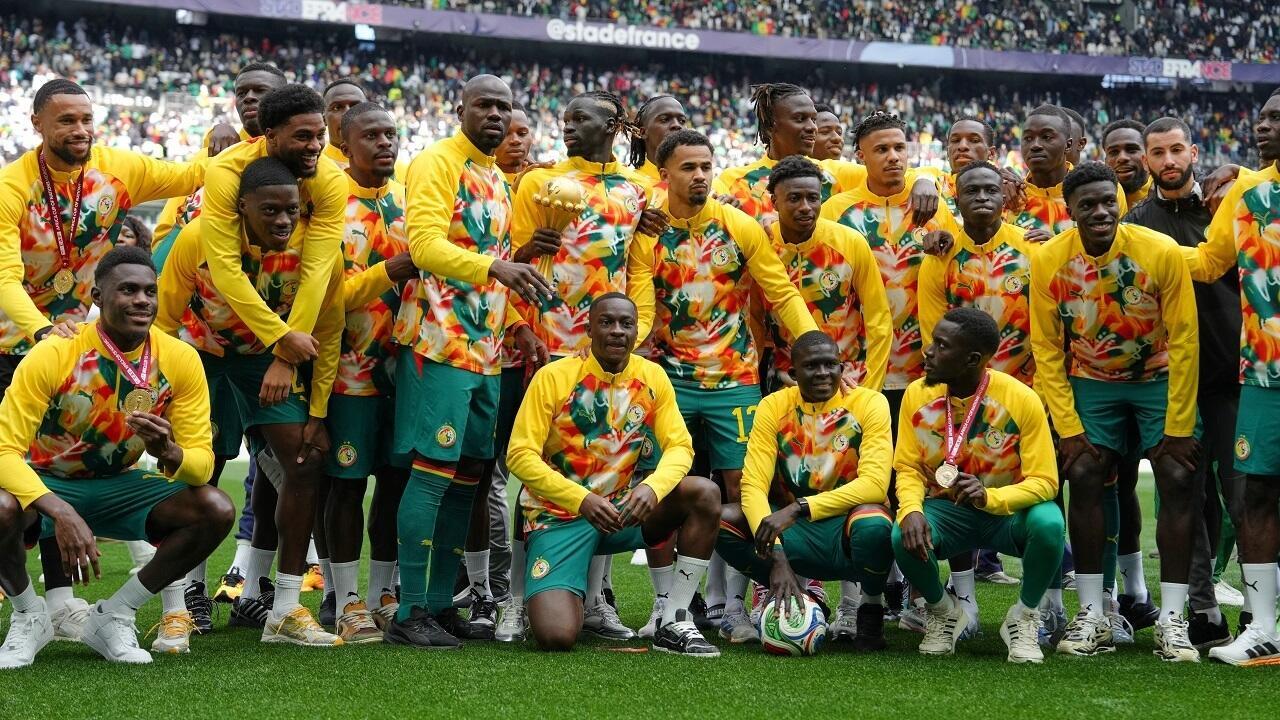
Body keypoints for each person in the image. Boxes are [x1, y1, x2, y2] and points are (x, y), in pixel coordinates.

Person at [0, 77, 205, 644]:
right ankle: (35, 608)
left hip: (87, 341)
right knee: (18, 475)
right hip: (15, 341)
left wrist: (240, 144)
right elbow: (4, 275)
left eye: (86, 119)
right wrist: (41, 330)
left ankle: (65, 604)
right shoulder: (12, 185)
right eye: (65, 120)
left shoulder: (119, 169)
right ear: (37, 122)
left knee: (71, 453)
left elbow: (191, 174)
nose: (80, 131)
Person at [630, 129, 821, 643]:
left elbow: (780, 293)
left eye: (705, 166)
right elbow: (641, 304)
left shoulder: (738, 226)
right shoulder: (645, 230)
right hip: (668, 381)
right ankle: (665, 607)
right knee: (667, 489)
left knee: (743, 490)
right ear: (664, 173)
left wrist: (813, 347)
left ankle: (731, 604)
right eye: (688, 167)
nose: (698, 176)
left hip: (734, 379)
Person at [0, 246, 232, 668]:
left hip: (116, 486)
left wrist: (169, 451)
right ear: (96, 296)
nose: (142, 300)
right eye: (127, 290)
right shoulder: (55, 353)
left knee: (214, 507)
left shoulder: (179, 358)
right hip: (46, 482)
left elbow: (201, 465)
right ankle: (30, 616)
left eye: (149, 291)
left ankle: (115, 615)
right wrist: (61, 511)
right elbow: (2, 451)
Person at [386, 73, 551, 650]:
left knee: (471, 477)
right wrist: (497, 271)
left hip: (485, 348)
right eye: (485, 104)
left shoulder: (496, 178)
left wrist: (515, 325)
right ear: (460, 108)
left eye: (505, 107)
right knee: (433, 472)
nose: (496, 115)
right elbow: (425, 247)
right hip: (438, 341)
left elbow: (496, 257)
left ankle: (437, 603)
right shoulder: (438, 162)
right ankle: (407, 610)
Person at [156, 156, 345, 647]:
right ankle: (178, 605)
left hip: (267, 362)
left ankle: (284, 609)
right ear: (241, 209)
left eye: (293, 211)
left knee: (304, 461)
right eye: (270, 212)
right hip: (202, 358)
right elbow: (163, 322)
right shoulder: (196, 240)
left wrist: (318, 412)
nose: (283, 222)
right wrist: (162, 393)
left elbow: (328, 330)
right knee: (197, 470)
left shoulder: (318, 249)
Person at [1031, 162, 1201, 662]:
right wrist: (1067, 426)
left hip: (1159, 376)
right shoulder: (1050, 260)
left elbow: (1186, 338)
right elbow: (1046, 345)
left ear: (1121, 202)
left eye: (1109, 201)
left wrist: (1179, 425)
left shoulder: (1160, 252)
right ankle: (1093, 613)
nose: (1101, 211)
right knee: (1082, 471)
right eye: (1089, 204)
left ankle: (1172, 618)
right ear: (1072, 211)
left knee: (1176, 473)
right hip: (1091, 379)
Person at [509, 90, 657, 640]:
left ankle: (596, 599)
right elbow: (512, 253)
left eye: (579, 118)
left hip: (611, 349)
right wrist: (520, 327)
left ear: (613, 124)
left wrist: (639, 331)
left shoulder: (638, 191)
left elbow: (637, 269)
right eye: (565, 117)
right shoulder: (540, 182)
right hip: (551, 344)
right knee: (539, 468)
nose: (567, 126)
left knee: (607, 465)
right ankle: (516, 599)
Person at [507, 293, 721, 656]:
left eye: (626, 324)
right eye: (606, 322)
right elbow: (520, 455)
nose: (617, 331)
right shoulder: (554, 377)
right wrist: (581, 499)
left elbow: (681, 447)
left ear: (637, 331)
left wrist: (652, 488)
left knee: (704, 492)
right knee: (556, 636)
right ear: (588, 329)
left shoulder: (651, 376)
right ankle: (548, 599)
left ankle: (674, 618)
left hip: (622, 511)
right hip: (561, 517)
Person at [1124, 116, 1241, 651]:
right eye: (1157, 153)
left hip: (1232, 374)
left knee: (1245, 493)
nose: (1168, 161)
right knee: (1184, 496)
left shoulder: (1226, 204)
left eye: (1176, 150)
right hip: (1172, 382)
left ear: (1194, 152)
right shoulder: (1137, 221)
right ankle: (1204, 609)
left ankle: (1262, 613)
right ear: (1146, 161)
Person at [891, 307, 1063, 664]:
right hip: (946, 510)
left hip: (1007, 513)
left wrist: (992, 496)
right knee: (900, 533)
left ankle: (1025, 616)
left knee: (1049, 523)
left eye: (941, 345)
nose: (928, 351)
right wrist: (910, 509)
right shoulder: (916, 396)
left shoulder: (1022, 399)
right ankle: (944, 613)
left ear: (972, 359)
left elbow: (1046, 481)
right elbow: (907, 467)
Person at [1179, 88, 1280, 667]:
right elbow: (1209, 262)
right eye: (1261, 118)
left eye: (1275, 119)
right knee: (1257, 494)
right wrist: (1142, 243)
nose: (1262, 126)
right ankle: (1264, 627)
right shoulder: (1247, 193)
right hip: (1264, 374)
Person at [717, 330, 894, 650]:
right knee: (724, 520)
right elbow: (753, 485)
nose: (824, 373)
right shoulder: (773, 407)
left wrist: (800, 507)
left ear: (842, 368)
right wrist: (777, 558)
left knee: (874, 522)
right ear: (794, 374)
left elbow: (875, 484)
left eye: (831, 364)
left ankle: (870, 608)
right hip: (794, 535)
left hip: (844, 531)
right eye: (812, 366)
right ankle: (796, 595)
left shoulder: (870, 403)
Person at [918, 161, 1040, 621]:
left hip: (1023, 391)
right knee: (954, 484)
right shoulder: (943, 253)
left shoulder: (1031, 248)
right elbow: (934, 325)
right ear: (958, 197)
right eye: (972, 190)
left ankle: (1042, 602)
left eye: (992, 189)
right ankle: (963, 595)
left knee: (1035, 487)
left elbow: (1045, 325)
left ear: (1004, 196)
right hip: (963, 393)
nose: (983, 197)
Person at [322, 102, 417, 642]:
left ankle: (384, 591)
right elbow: (325, 297)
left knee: (396, 482)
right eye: (372, 136)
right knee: (346, 485)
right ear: (345, 142)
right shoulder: (331, 206)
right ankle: (346, 597)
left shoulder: (408, 201)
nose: (385, 144)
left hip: (403, 371)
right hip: (348, 374)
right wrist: (387, 272)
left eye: (391, 134)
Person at [820, 111, 944, 425]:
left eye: (899, 148)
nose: (893, 157)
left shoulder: (933, 207)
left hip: (922, 367)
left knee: (912, 465)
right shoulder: (836, 211)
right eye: (881, 150)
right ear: (860, 157)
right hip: (855, 366)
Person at [152, 62, 288, 267]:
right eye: (241, 93)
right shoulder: (208, 157)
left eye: (260, 91)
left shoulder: (301, 160)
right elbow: (166, 232)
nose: (249, 97)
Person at [1010, 105, 1127, 242]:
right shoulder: (1010, 196)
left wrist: (1061, 248)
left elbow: (1118, 249)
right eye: (1028, 138)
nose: (1035, 145)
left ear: (1068, 145)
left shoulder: (1105, 189)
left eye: (1046, 137)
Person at [318, 78, 410, 183]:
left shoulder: (402, 171)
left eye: (356, 106)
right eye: (337, 108)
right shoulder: (314, 173)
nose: (348, 114)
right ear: (323, 119)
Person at [1103, 119, 1152, 207]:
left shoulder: (1168, 196)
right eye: (1113, 152)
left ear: (1148, 155)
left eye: (1131, 150)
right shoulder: (1097, 205)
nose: (1122, 158)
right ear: (1105, 161)